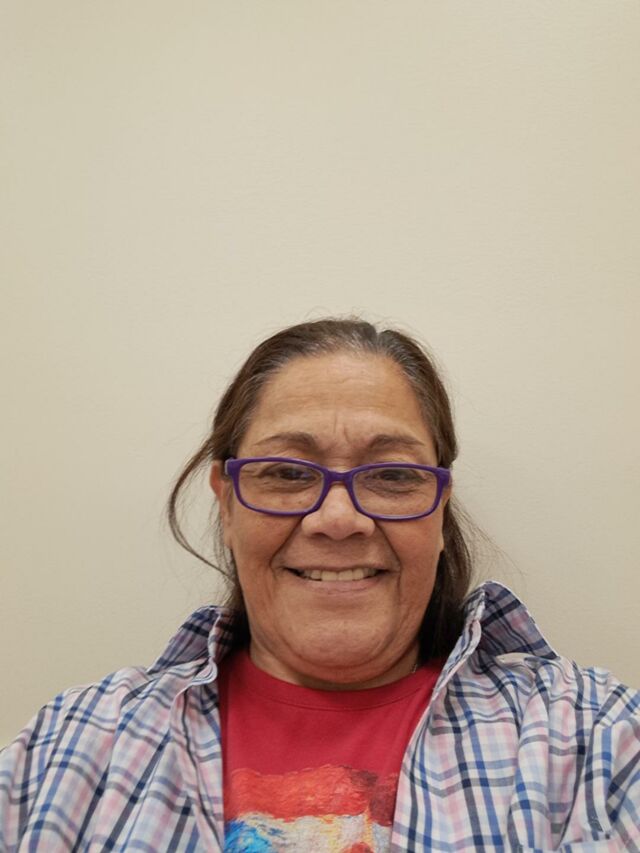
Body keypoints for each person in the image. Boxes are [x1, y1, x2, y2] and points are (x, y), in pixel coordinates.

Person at [1, 318, 638, 852]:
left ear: (440, 510)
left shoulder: (595, 742)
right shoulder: (71, 743)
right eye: (286, 473)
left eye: (393, 476)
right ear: (227, 503)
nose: (338, 520)